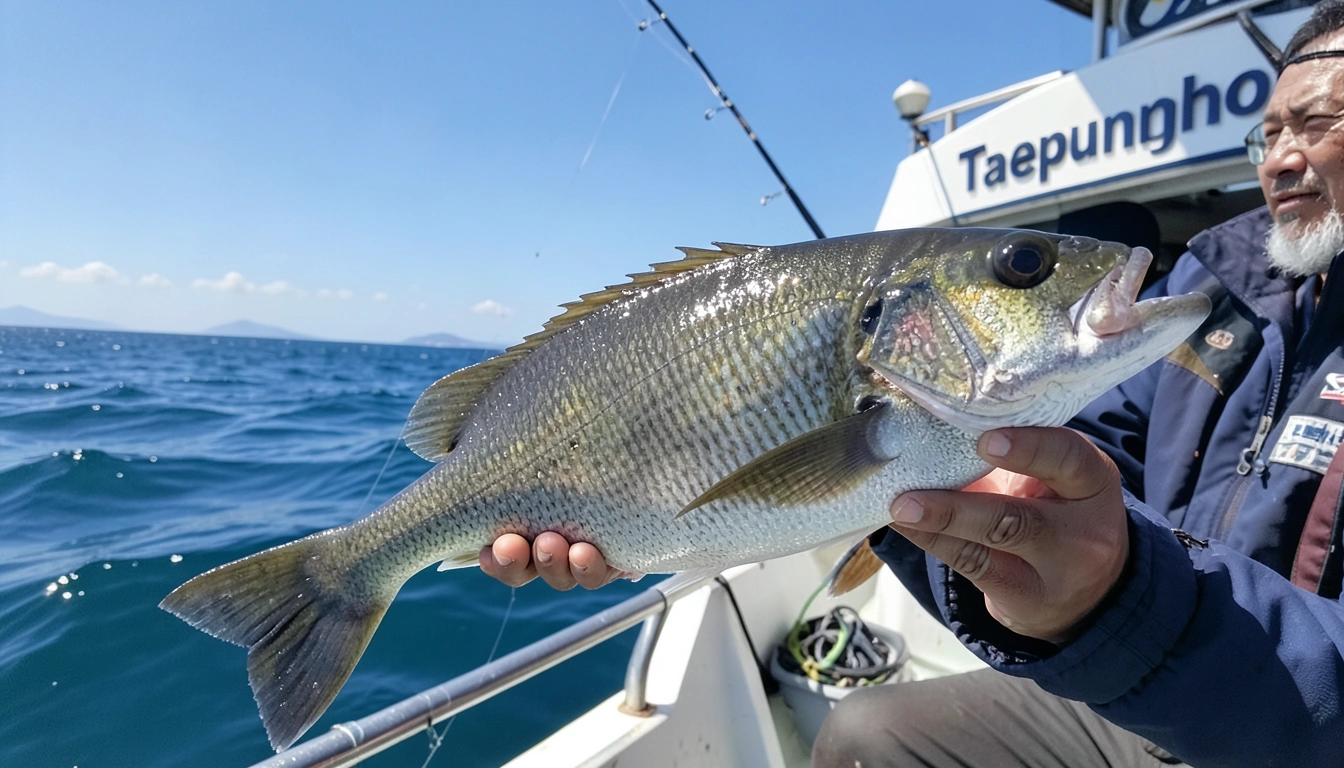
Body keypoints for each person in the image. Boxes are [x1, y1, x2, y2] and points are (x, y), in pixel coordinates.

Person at [483, 3, 1344, 764]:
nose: (1280, 160)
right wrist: (952, 509)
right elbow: (1079, 463)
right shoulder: (1236, 302)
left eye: (1315, 123)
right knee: (865, 737)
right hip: (1147, 695)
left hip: (1278, 709)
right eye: (1267, 134)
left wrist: (1132, 605)